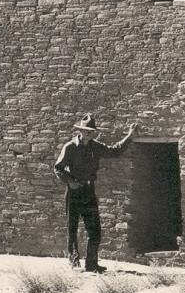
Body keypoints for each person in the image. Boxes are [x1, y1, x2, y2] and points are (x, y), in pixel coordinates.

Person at [51, 113, 137, 273]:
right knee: (72, 228)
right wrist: (70, 182)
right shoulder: (70, 147)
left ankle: (91, 264)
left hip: (89, 191)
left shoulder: (95, 147)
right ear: (80, 131)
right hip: (74, 192)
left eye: (92, 131)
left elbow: (114, 151)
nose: (90, 134)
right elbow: (58, 168)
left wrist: (129, 136)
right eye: (87, 131)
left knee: (95, 230)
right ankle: (74, 263)